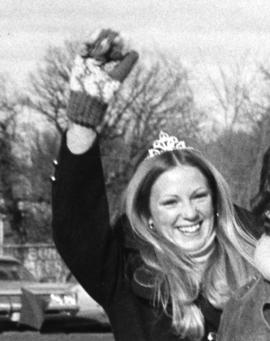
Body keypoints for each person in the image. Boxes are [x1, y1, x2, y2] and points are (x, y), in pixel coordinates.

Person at [51, 29, 270, 341]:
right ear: (147, 214)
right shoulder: (123, 273)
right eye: (171, 202)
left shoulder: (257, 252)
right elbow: (77, 227)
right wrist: (82, 126)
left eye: (199, 196)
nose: (190, 213)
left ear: (216, 201)